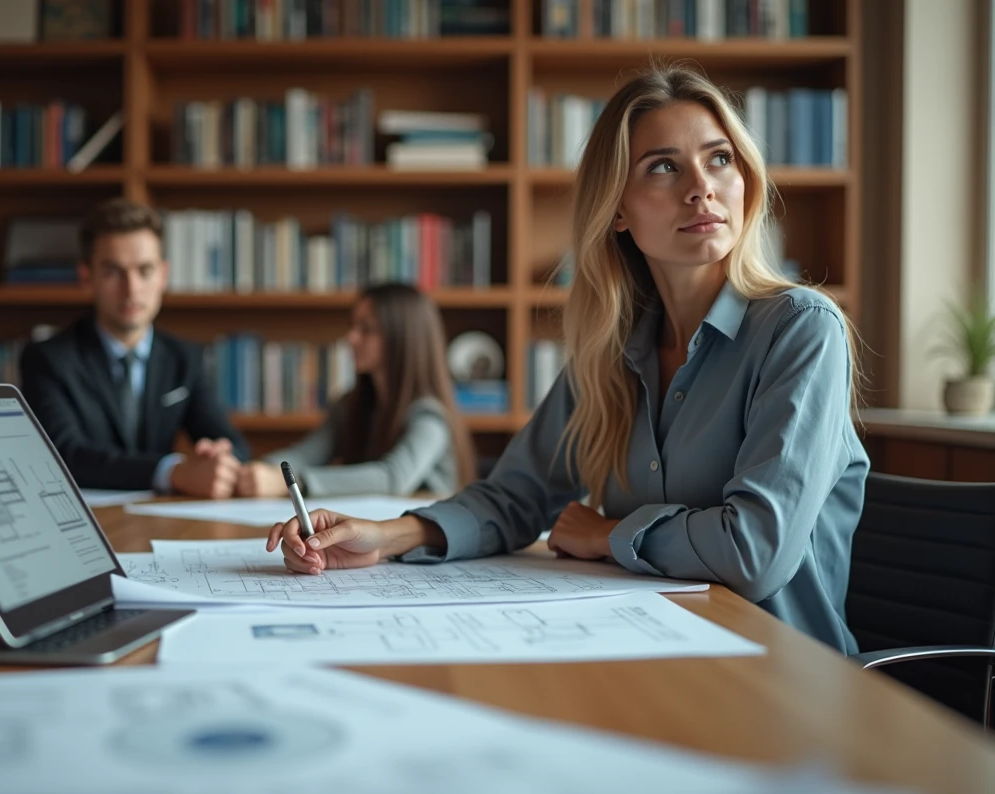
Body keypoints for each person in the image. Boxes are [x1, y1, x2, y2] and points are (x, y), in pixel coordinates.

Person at [266, 64, 870, 654]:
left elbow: (755, 552)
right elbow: (515, 497)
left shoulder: (801, 330)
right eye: (663, 166)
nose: (701, 186)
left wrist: (610, 535)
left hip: (784, 675)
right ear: (617, 210)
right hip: (653, 647)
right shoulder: (612, 350)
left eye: (720, 158)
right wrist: (386, 537)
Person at [20, 199, 249, 496]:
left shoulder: (185, 358)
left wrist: (219, 460)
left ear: (163, 275)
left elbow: (234, 445)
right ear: (87, 277)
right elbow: (65, 455)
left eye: (145, 270)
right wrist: (174, 472)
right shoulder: (47, 359)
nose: (132, 290)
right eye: (113, 271)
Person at [236, 282, 476, 498]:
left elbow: (393, 479)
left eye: (366, 329)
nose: (351, 338)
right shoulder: (352, 405)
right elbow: (305, 455)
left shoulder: (429, 415)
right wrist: (259, 471)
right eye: (352, 326)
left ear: (403, 338)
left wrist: (290, 483)